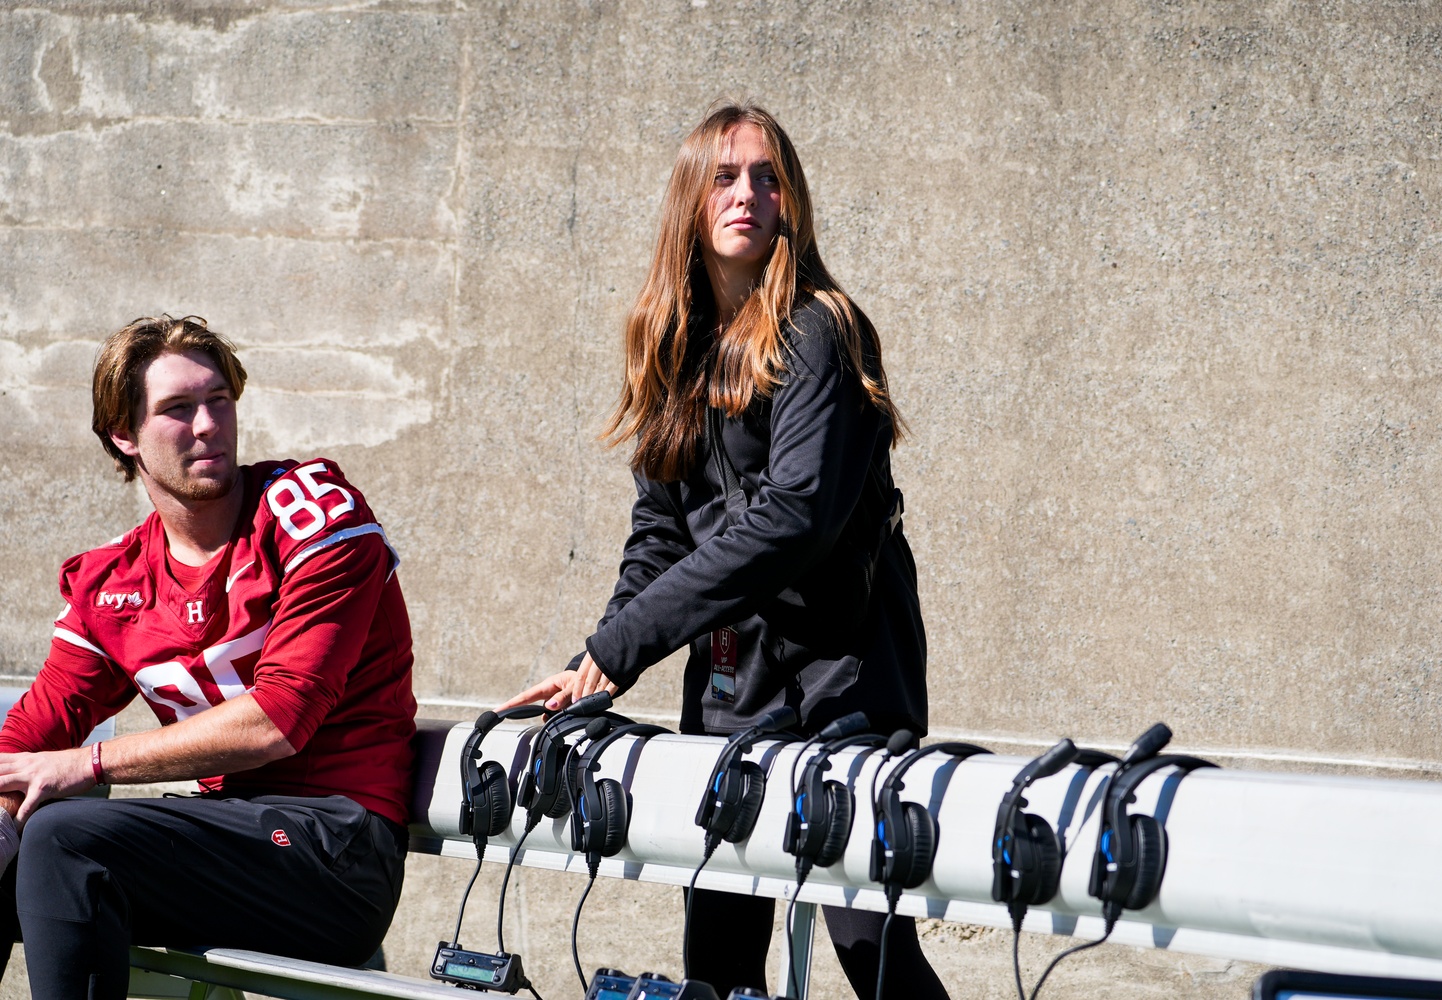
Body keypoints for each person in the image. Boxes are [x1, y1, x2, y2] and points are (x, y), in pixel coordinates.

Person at [502, 104, 949, 999]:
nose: (749, 194)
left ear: (792, 202)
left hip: (843, 684)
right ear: (690, 200)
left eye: (768, 177)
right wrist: (596, 665)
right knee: (719, 955)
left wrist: (618, 650)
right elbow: (660, 534)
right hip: (730, 689)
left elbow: (792, 519)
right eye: (726, 175)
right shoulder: (675, 345)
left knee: (870, 948)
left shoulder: (822, 329)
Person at [0, 315, 417, 999]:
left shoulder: (312, 516)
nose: (206, 425)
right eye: (177, 408)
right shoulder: (115, 579)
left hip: (335, 852)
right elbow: (35, 731)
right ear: (123, 434)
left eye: (217, 400)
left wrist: (91, 763)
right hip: (222, 845)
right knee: (22, 849)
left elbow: (280, 718)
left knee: (64, 838)